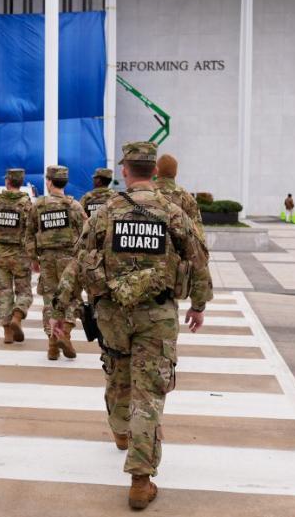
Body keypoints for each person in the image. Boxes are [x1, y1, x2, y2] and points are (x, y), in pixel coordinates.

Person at [50, 141, 213, 510]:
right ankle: (140, 480)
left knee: (117, 375)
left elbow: (78, 262)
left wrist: (60, 312)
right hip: (157, 316)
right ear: (153, 171)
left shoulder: (106, 212)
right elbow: (199, 261)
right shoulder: (173, 213)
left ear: (125, 171)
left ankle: (122, 431)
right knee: (149, 395)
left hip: (112, 315)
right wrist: (198, 305)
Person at [25, 165, 86, 360]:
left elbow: (29, 234)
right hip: (70, 260)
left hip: (47, 259)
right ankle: (65, 333)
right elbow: (86, 235)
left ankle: (52, 344)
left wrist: (33, 258)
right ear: (65, 182)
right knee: (72, 297)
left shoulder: (39, 205)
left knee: (50, 299)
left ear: (49, 182)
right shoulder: (74, 206)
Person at [0, 168, 34, 344]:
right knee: (24, 291)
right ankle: (17, 316)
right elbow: (33, 231)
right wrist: (35, 256)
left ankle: (7, 332)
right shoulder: (27, 205)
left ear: (7, 182)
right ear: (21, 182)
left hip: (0, 256)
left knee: (3, 293)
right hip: (21, 256)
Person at [154, 154, 204, 241]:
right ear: (176, 172)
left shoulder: (147, 191)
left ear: (156, 171)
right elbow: (198, 233)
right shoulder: (186, 197)